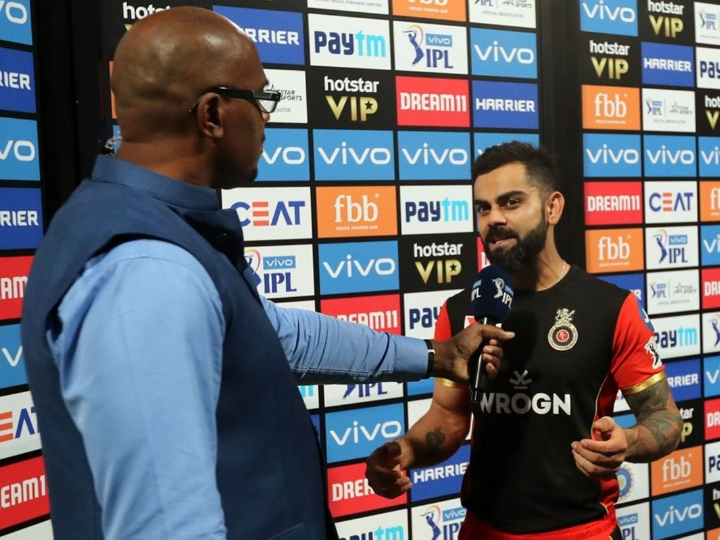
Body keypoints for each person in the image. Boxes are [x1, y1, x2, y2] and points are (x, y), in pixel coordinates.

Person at [20, 8, 514, 540]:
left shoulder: (153, 228)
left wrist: (435, 356)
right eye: (259, 99)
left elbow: (274, 337)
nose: (266, 117)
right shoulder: (148, 273)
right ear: (212, 115)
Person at [365, 142, 682, 540]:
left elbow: (666, 418)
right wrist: (406, 451)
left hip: (582, 532)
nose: (494, 219)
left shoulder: (613, 308)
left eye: (511, 202)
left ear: (552, 208)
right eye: (483, 208)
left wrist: (629, 441)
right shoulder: (461, 309)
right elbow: (448, 416)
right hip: (482, 531)